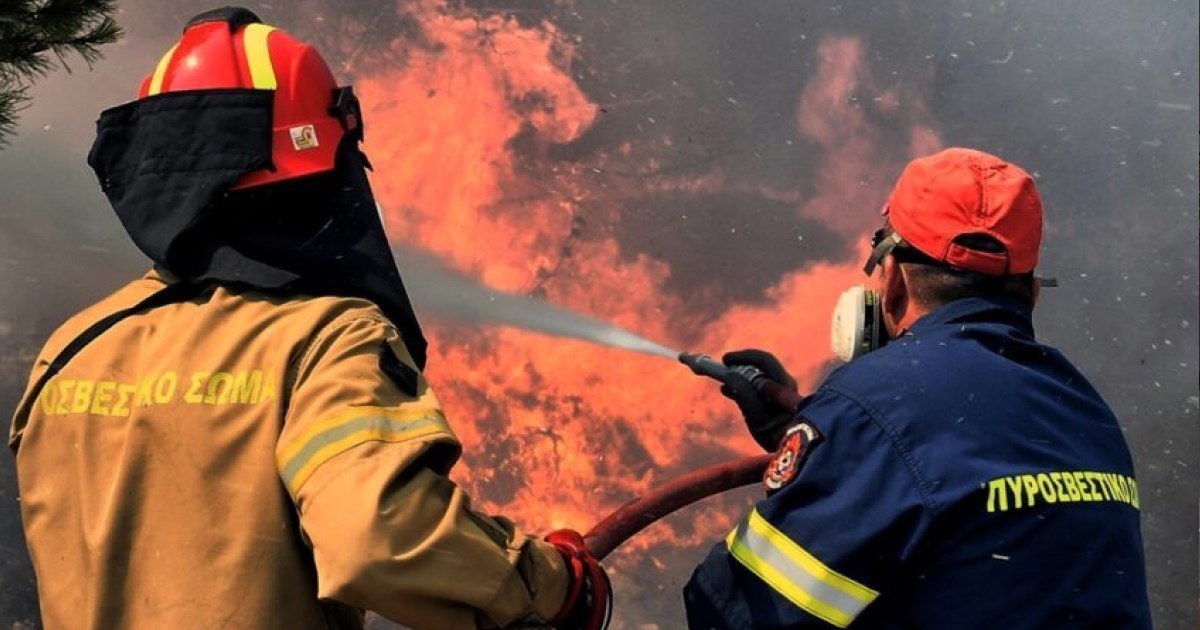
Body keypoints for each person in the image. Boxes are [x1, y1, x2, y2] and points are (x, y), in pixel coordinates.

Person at [8, 8, 610, 630]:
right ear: (324, 168)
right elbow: (378, 535)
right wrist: (549, 583)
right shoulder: (325, 338)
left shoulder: (74, 347)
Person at [684, 148, 1152, 628]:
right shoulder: (1085, 410)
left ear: (892, 282)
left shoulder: (875, 402)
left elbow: (737, 615)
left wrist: (843, 437)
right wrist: (823, 447)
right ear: (1031, 292)